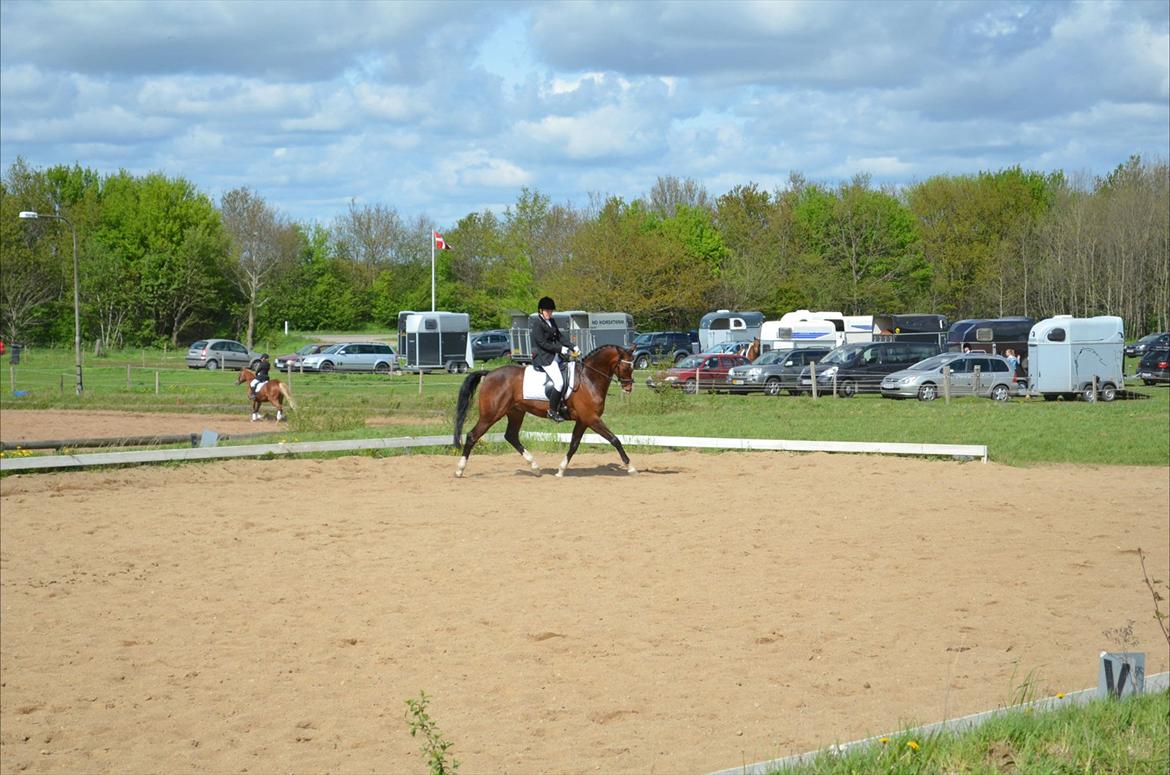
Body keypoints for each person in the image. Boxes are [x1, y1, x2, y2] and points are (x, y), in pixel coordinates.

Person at [529, 296, 579, 422]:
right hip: (543, 357)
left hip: (555, 355)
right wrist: (560, 349)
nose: (549, 313)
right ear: (541, 311)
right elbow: (542, 344)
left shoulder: (551, 321)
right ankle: (552, 410)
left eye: (551, 311)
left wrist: (572, 346)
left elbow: (560, 337)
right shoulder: (537, 325)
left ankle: (564, 403)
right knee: (559, 382)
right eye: (547, 311)